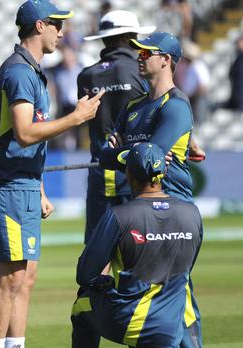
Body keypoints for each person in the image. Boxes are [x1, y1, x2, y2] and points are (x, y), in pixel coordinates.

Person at [0, 1, 104, 348]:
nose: (61, 33)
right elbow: (25, 132)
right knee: (11, 276)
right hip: (8, 185)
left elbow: (29, 143)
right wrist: (76, 117)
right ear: (38, 26)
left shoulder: (31, 71)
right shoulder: (18, 72)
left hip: (24, 183)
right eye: (57, 25)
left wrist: (41, 188)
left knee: (26, 276)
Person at [101, 31, 205, 348]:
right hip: (137, 208)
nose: (140, 57)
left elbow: (153, 156)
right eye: (138, 52)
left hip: (172, 207)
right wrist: (131, 155)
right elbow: (111, 154)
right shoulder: (133, 106)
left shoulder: (175, 106)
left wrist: (126, 153)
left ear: (167, 60)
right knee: (139, 291)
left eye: (148, 52)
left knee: (179, 293)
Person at [72, 142, 203, 348]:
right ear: (162, 173)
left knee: (81, 306)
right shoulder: (192, 213)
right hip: (168, 329)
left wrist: (106, 282)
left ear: (129, 174)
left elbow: (85, 275)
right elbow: (186, 268)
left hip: (129, 320)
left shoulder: (119, 215)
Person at [78, 9, 155, 245]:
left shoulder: (86, 76)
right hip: (138, 171)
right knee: (138, 248)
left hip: (101, 171)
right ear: (127, 38)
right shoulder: (141, 71)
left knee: (98, 251)